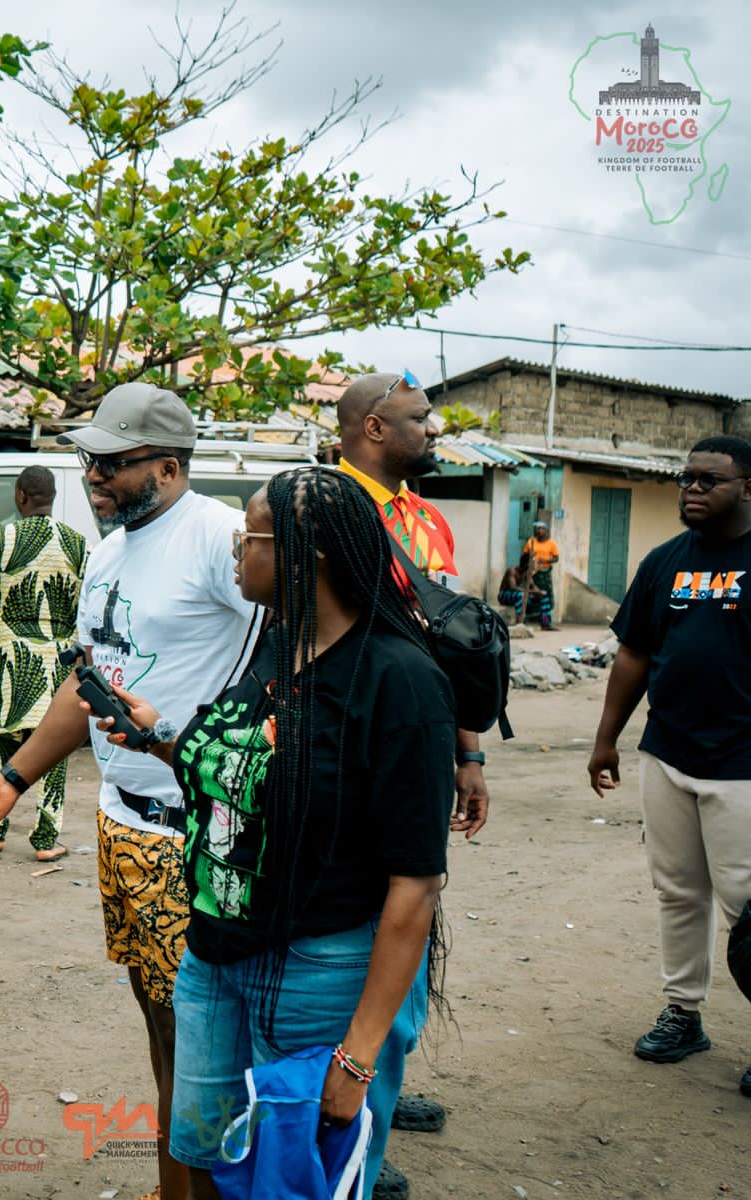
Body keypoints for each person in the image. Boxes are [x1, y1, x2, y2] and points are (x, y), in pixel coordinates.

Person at [93, 467, 453, 1200]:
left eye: (247, 539)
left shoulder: (399, 681)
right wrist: (159, 735)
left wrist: (356, 1061)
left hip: (319, 972)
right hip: (213, 957)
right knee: (209, 1152)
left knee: (292, 1177)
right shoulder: (275, 644)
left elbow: (414, 887)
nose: (233, 553)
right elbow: (253, 763)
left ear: (305, 552)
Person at [0, 382, 261, 1200]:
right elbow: (88, 682)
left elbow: (295, 649)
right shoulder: (113, 547)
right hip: (123, 825)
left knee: (203, 1043)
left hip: (191, 833)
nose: (91, 474)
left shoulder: (219, 538)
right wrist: (14, 778)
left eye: (111, 462)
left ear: (168, 464)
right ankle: (179, 1186)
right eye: (86, 458)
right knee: (161, 1030)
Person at [335, 370, 488, 1198]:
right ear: (371, 430)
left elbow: (455, 648)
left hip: (426, 752)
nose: (433, 431)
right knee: (358, 926)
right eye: (418, 420)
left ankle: (381, 1088)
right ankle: (357, 1119)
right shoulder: (325, 508)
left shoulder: (427, 519)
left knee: (413, 910)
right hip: (352, 752)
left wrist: (471, 753)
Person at [588, 435, 751, 1100]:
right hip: (669, 753)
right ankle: (684, 1014)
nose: (693, 489)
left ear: (747, 487)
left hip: (744, 766)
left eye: (709, 480)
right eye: (687, 478)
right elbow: (633, 655)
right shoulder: (665, 563)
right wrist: (607, 740)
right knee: (679, 893)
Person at [0, 465, 89, 860]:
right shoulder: (77, 543)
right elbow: (86, 605)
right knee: (52, 747)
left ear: (20, 496)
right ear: (52, 497)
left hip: (7, 658)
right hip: (56, 661)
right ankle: (47, 840)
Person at [522, 520, 560, 630]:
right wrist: (530, 556)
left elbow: (556, 558)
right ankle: (528, 619)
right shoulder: (531, 541)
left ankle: (545, 622)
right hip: (533, 573)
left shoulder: (551, 544)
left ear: (546, 531)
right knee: (533, 595)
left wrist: (544, 560)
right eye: (538, 528)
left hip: (545, 574)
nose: (540, 531)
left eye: (542, 529)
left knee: (546, 596)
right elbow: (524, 554)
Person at [496, 558, 527, 626]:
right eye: (534, 563)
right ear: (526, 564)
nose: (535, 565)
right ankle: (520, 622)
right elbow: (512, 587)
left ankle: (546, 623)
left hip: (517, 595)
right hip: (503, 595)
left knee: (544, 595)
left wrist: (539, 592)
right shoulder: (512, 571)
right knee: (521, 595)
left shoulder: (527, 573)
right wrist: (530, 591)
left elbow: (534, 588)